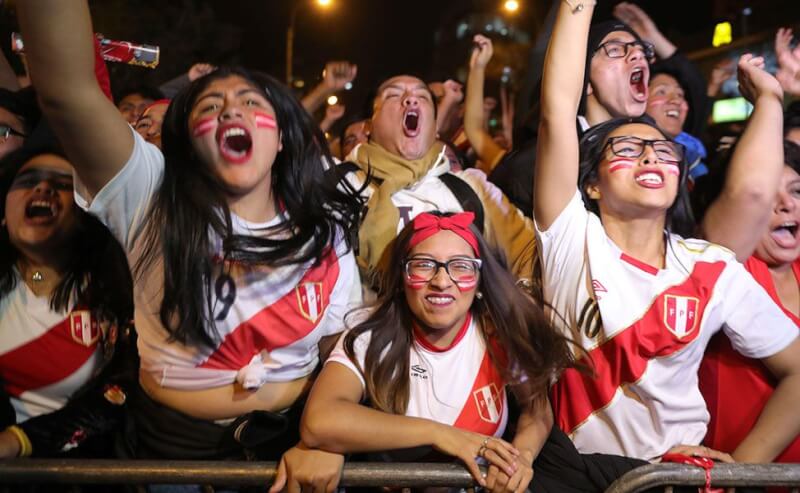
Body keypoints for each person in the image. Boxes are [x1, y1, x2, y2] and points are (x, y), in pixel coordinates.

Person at [18, 0, 364, 465]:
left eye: (249, 103)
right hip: (171, 454)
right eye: (211, 105)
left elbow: (340, 350)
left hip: (286, 450)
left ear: (280, 137)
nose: (230, 113)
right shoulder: (151, 193)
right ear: (188, 139)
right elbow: (66, 92)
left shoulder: (326, 228)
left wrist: (325, 440)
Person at [534, 0, 800, 463]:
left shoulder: (711, 267)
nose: (651, 157)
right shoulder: (570, 238)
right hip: (575, 478)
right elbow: (557, 111)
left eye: (662, 150)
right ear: (591, 183)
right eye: (630, 147)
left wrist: (743, 467)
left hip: (675, 481)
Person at [291, 211, 574, 493]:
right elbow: (319, 420)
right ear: (402, 276)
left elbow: (537, 411)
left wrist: (520, 457)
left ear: (478, 280)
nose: (441, 280)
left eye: (461, 266)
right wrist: (440, 435)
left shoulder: (498, 334)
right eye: (424, 265)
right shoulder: (370, 334)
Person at [0, 146, 135, 458]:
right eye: (27, 180)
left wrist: (16, 441)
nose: (43, 187)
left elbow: (118, 394)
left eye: (63, 184)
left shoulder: (116, 293)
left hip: (80, 474)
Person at [343, 74, 535, 285]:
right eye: (393, 95)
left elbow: (529, 252)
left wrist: (516, 303)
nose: (410, 99)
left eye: (422, 97)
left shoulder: (470, 188)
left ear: (435, 128)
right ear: (368, 127)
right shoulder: (340, 187)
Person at [700, 141, 800, 463]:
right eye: (767, 194)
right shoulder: (722, 267)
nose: (787, 205)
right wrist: (743, 474)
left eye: (797, 191)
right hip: (734, 478)